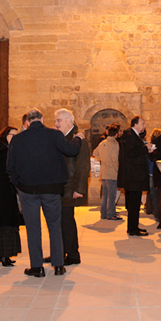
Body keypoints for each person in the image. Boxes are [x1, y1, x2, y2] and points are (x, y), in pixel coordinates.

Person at [7, 109, 83, 277]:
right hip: (51, 190)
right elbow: (71, 150)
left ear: (28, 122)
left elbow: (10, 167)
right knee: (55, 226)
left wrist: (18, 185)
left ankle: (37, 267)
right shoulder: (54, 135)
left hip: (28, 190)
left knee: (33, 229)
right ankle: (58, 265)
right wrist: (78, 138)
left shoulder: (18, 139)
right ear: (41, 119)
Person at [49, 109, 90, 266]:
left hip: (69, 188)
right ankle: (58, 253)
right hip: (58, 188)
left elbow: (83, 166)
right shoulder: (61, 138)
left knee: (66, 223)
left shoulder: (79, 139)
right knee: (57, 222)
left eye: (59, 120)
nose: (56, 123)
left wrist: (79, 189)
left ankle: (73, 255)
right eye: (55, 120)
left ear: (69, 121)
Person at [0, 126, 22, 267]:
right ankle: (2, 255)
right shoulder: (3, 152)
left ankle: (5, 255)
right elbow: (5, 174)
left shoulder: (5, 150)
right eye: (11, 135)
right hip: (3, 194)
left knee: (7, 225)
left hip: (5, 192)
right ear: (4, 136)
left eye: (16, 135)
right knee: (4, 225)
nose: (14, 138)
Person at [118, 116, 156, 236]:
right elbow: (132, 152)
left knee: (134, 204)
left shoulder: (132, 135)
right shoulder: (130, 135)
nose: (145, 126)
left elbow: (135, 152)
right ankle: (133, 229)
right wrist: (146, 148)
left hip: (134, 175)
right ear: (135, 124)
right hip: (134, 176)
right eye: (143, 123)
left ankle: (133, 227)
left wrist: (146, 150)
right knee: (134, 204)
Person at [93, 124, 121, 220]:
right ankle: (111, 214)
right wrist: (118, 170)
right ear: (116, 134)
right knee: (111, 195)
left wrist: (103, 159)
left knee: (105, 194)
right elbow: (114, 159)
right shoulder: (114, 144)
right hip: (111, 172)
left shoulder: (102, 143)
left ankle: (104, 213)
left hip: (103, 171)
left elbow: (95, 153)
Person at [145, 127, 161, 217]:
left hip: (150, 172)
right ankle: (158, 212)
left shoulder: (150, 146)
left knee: (152, 193)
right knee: (158, 194)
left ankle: (154, 211)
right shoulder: (159, 146)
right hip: (157, 171)